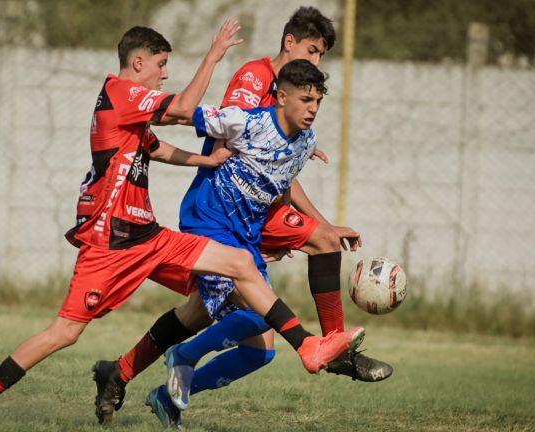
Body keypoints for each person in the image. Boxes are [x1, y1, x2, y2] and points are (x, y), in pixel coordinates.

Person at [0, 20, 362, 424]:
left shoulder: (126, 105)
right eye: (161, 65)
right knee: (63, 334)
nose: (165, 74)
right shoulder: (123, 92)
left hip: (149, 235)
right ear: (138, 62)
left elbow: (157, 148)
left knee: (239, 266)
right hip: (111, 244)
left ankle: (308, 346)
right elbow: (184, 109)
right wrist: (213, 56)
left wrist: (206, 159)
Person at [92, 6, 391, 426]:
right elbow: (228, 130)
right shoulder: (255, 79)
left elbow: (279, 172)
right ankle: (331, 349)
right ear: (289, 43)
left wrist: (302, 171)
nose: (317, 62)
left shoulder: (302, 129)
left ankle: (123, 374)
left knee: (245, 336)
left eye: (322, 57)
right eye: (312, 50)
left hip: (253, 215)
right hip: (218, 209)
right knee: (254, 304)